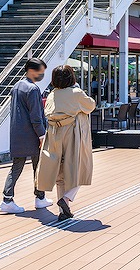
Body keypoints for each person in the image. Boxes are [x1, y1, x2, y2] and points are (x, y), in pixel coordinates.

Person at [37, 65, 96, 222]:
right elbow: (91, 105)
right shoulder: (76, 93)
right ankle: (67, 199)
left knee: (59, 172)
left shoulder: (52, 94)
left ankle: (63, 212)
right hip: (72, 135)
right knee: (80, 168)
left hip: (54, 136)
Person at [0, 58, 52, 214]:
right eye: (40, 71)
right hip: (33, 135)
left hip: (18, 133)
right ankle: (39, 197)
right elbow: (36, 116)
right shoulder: (33, 89)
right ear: (31, 70)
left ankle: (7, 199)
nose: (42, 74)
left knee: (16, 167)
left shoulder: (17, 86)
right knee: (39, 166)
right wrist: (42, 136)